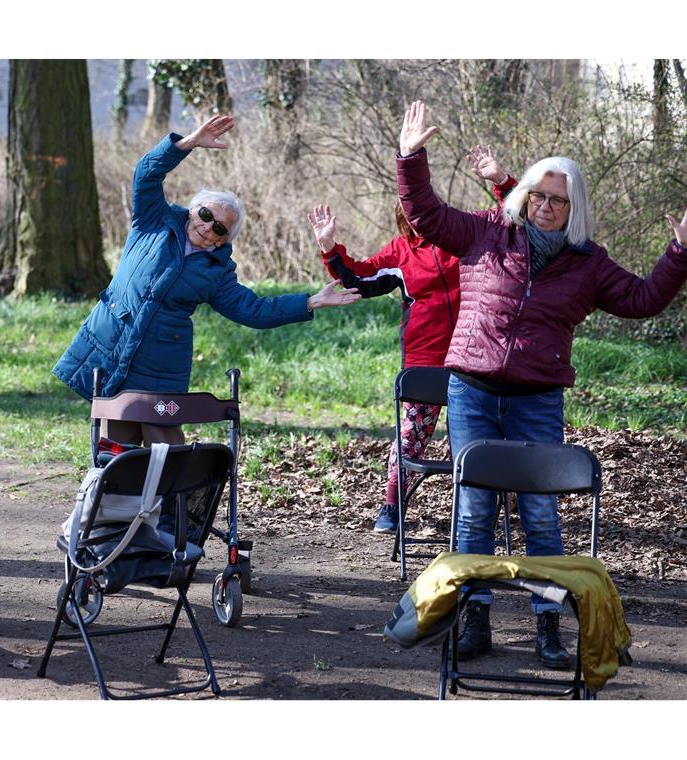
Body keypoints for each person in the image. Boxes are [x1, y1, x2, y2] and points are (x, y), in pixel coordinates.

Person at [396, 100, 687, 668]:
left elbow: (643, 300)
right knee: (475, 507)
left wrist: (680, 252)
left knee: (541, 514)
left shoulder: (589, 263)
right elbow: (426, 216)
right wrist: (411, 158)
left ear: (572, 207)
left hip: (537, 398)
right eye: (539, 194)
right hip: (473, 389)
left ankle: (547, 624)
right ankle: (473, 616)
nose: (546, 206)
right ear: (523, 194)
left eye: (558, 199)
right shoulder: (487, 232)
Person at [54, 114, 360, 445]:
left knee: (165, 449)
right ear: (193, 209)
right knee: (114, 445)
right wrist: (187, 144)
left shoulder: (217, 272)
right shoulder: (153, 219)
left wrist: (310, 301)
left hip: (161, 365)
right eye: (205, 214)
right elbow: (146, 173)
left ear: (222, 240)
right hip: (111, 342)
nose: (208, 226)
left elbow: (253, 309)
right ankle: (113, 497)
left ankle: (173, 499)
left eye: (219, 227)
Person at [310, 149, 515, 533]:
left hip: (475, 356)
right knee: (412, 435)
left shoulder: (465, 234)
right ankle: (392, 506)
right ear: (402, 216)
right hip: (425, 361)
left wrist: (501, 180)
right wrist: (329, 247)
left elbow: (515, 222)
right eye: (409, 212)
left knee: (472, 440)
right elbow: (358, 278)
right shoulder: (400, 253)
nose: (417, 218)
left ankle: (475, 514)